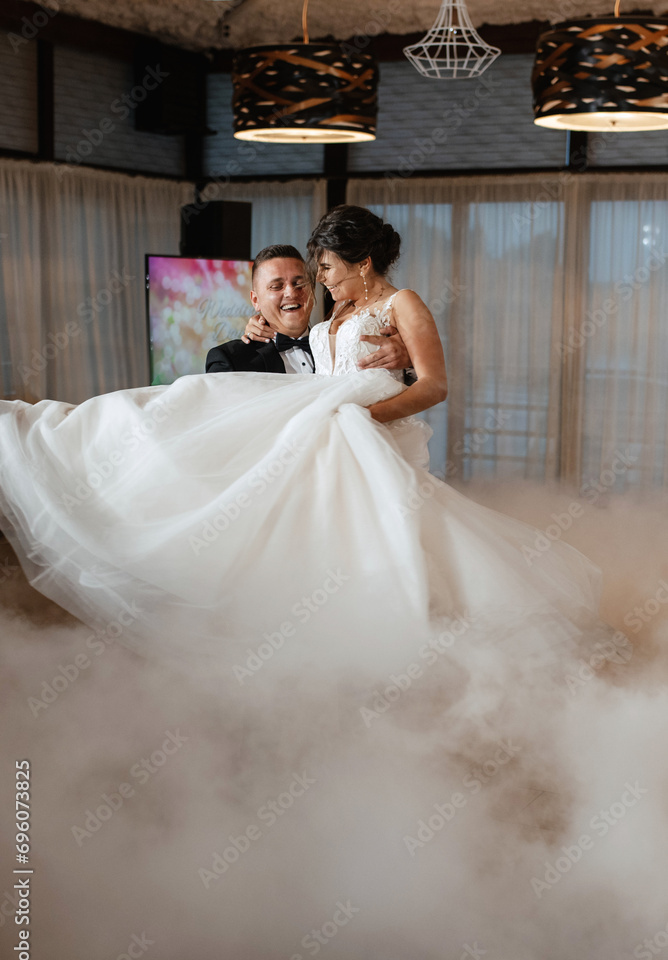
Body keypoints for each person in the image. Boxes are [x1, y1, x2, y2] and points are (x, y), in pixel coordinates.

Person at [0, 205, 624, 673]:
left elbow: (430, 384)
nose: (313, 283)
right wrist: (270, 342)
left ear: (360, 262)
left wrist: (369, 405)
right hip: (326, 444)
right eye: (289, 282)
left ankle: (416, 638)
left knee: (404, 535)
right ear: (257, 300)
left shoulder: (400, 303)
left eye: (320, 269)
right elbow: (317, 370)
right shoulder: (322, 322)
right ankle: (50, 432)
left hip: (370, 436)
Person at [205, 244, 413, 379]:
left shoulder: (345, 343)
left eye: (299, 283)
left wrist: (407, 362)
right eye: (276, 286)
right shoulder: (231, 360)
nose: (291, 292)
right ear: (255, 300)